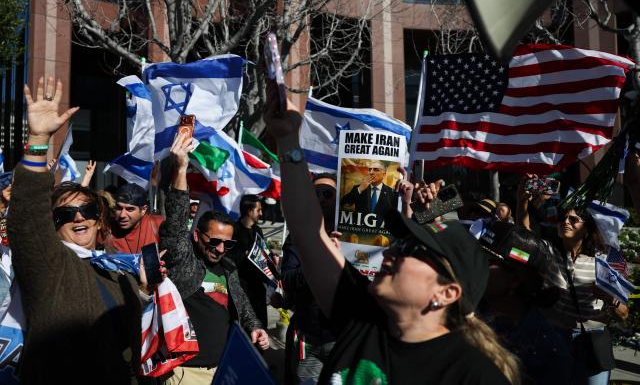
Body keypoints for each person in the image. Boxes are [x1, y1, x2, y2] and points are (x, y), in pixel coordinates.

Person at [265, 90, 518, 384]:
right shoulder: (361, 318)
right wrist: (288, 140)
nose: (392, 252)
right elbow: (308, 231)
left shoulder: (473, 375)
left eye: (414, 250)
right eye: (402, 243)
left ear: (446, 293)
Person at [7, 76, 153, 383]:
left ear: (100, 219)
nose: (78, 218)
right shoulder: (48, 265)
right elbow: (27, 216)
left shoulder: (115, 266)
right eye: (66, 214)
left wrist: (140, 292)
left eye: (86, 210)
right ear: (53, 223)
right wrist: (38, 140)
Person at [159, 134, 268, 384]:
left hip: (224, 371)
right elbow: (175, 221)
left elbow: (242, 306)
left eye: (227, 243)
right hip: (186, 372)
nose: (220, 249)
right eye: (214, 241)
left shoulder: (229, 269)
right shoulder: (184, 261)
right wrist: (181, 167)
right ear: (197, 236)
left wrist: (255, 328)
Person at [477, 221, 570, 384]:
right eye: (476, 255)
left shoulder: (544, 348)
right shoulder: (467, 311)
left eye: (488, 260)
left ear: (515, 279)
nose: (476, 265)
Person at [543, 208, 628, 385]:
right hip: (556, 338)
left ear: (587, 229)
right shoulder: (549, 253)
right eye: (563, 219)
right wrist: (522, 202)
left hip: (592, 342)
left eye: (574, 219)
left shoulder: (602, 262)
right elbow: (524, 232)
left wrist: (607, 298)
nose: (566, 222)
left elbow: (623, 314)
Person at [281, 173, 338, 385]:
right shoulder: (298, 235)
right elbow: (287, 279)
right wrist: (322, 257)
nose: (321, 199)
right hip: (309, 337)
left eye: (327, 194)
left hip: (342, 339)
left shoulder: (354, 237)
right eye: (316, 194)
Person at [230, 194, 270, 327]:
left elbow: (264, 252)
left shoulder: (257, 230)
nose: (261, 213)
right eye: (258, 210)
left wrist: (270, 258)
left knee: (260, 323)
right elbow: (230, 257)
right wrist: (247, 255)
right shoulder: (234, 230)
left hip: (258, 287)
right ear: (249, 210)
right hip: (242, 286)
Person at [105, 183, 164, 254]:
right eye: (119, 208)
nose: (122, 215)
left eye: (130, 209)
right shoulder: (106, 229)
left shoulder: (157, 224)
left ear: (143, 210)